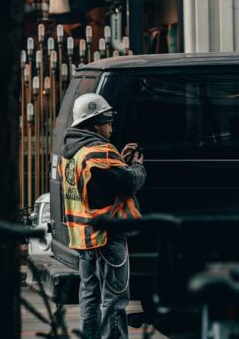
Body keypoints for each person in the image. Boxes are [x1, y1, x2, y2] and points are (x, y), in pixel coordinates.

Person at [58, 93, 145, 339]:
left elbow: (100, 183)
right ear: (95, 123)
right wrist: (138, 166)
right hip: (107, 238)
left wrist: (119, 159)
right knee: (114, 300)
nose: (110, 127)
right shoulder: (99, 152)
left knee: (89, 298)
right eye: (107, 122)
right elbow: (128, 182)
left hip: (84, 239)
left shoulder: (71, 154)